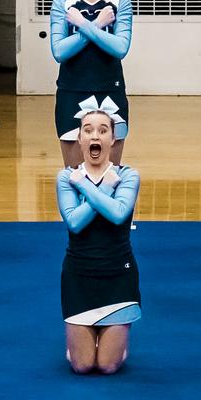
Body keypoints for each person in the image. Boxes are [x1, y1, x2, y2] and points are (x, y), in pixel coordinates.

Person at [57, 97, 141, 374]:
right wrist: (103, 188)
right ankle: (82, 344)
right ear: (80, 139)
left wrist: (86, 187)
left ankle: (114, 346)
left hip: (118, 275)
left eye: (103, 130)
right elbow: (75, 222)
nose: (95, 136)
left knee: (107, 366)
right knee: (81, 366)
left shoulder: (128, 176)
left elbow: (118, 214)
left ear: (113, 140)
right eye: (89, 130)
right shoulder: (66, 178)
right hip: (79, 276)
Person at [51, 0, 132, 168]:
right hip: (71, 93)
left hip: (110, 91)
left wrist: (83, 25)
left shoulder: (120, 0)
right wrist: (97, 24)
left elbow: (120, 47)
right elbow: (59, 51)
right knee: (75, 177)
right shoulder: (63, 0)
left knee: (109, 178)